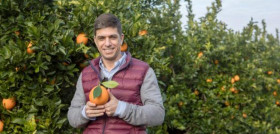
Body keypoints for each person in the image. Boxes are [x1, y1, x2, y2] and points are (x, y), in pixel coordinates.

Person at [67, 13, 165, 134]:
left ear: (121, 38)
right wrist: (85, 113)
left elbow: (158, 114)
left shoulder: (143, 71)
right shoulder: (86, 74)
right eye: (102, 38)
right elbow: (72, 116)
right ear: (96, 41)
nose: (107, 43)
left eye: (112, 37)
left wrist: (122, 108)